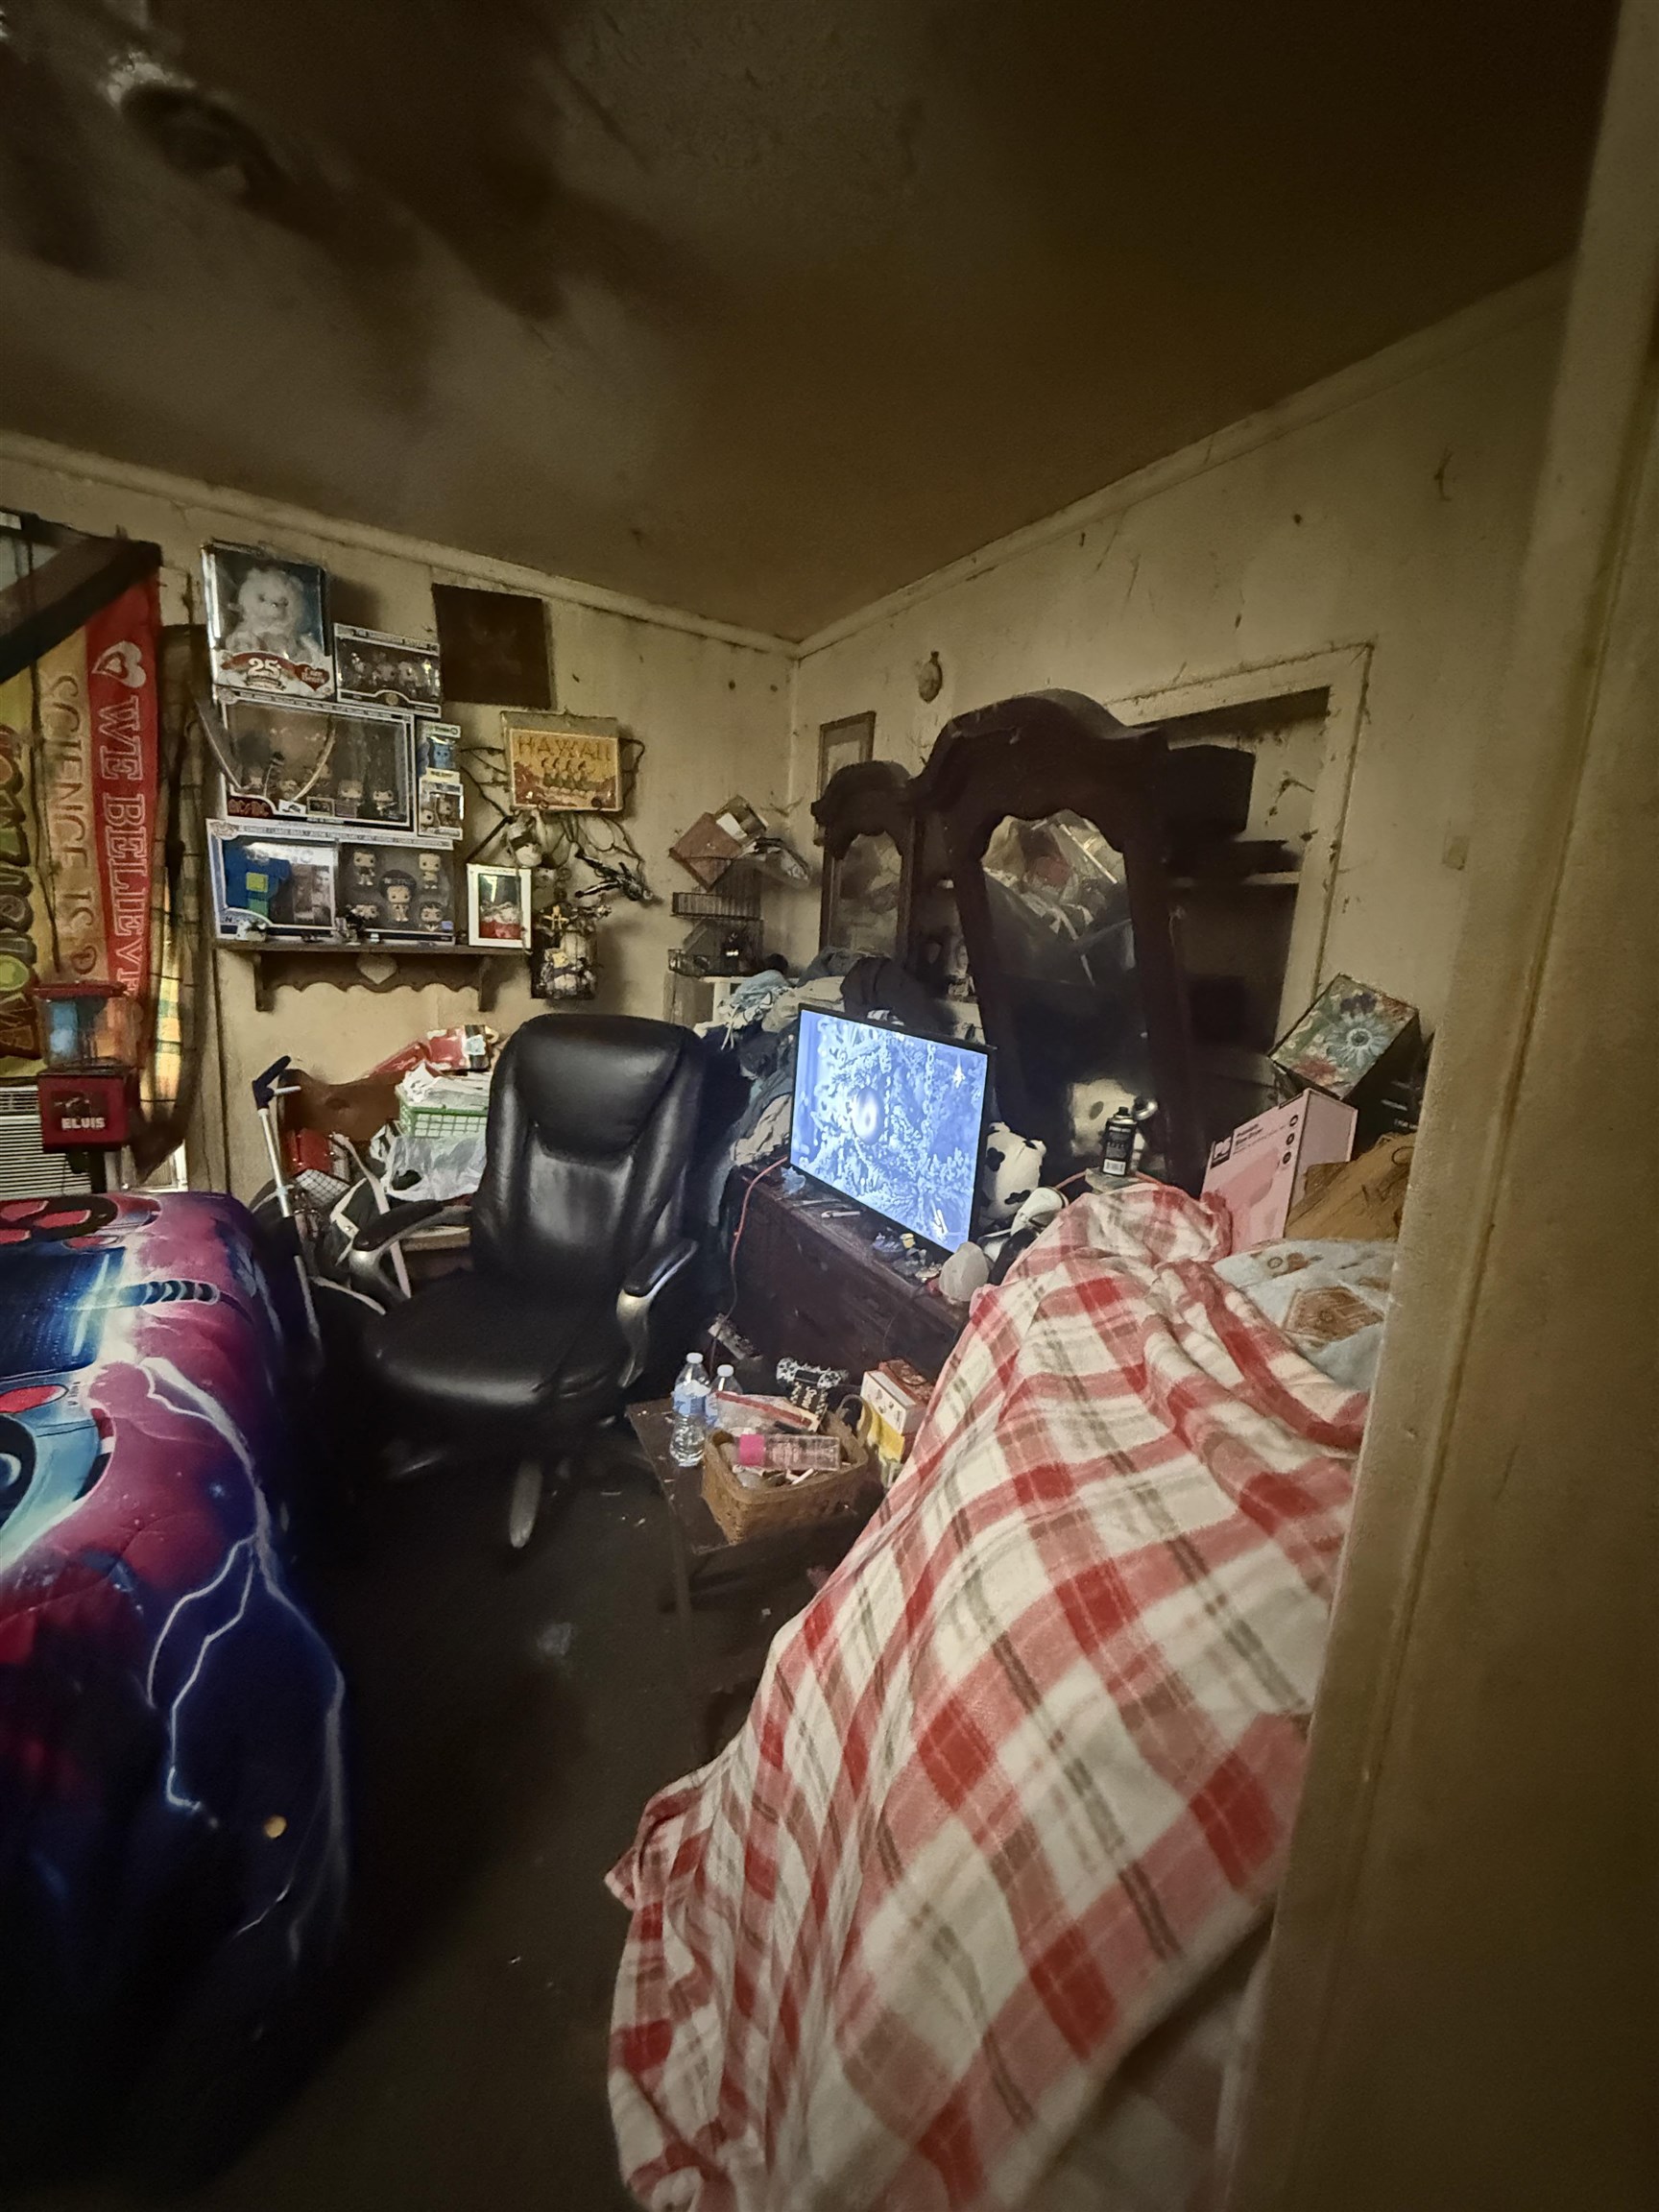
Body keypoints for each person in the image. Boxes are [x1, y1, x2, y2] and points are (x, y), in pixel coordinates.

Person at [221, 564, 326, 670]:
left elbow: (306, 657)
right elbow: (234, 645)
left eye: (284, 603)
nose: (274, 608)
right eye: (262, 599)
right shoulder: (246, 631)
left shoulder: (293, 638)